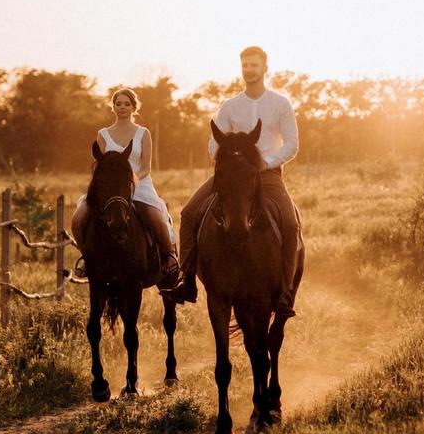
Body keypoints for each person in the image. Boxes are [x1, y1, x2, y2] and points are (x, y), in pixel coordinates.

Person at [176, 46, 302, 316]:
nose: (249, 70)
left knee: (290, 224)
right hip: (230, 177)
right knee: (188, 213)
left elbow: (292, 144)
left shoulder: (280, 104)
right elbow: (214, 142)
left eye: (254, 65)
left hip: (267, 176)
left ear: (265, 68)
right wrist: (224, 161)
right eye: (245, 65)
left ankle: (284, 292)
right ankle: (186, 281)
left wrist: (265, 163)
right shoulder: (230, 106)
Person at [72, 87, 180, 284]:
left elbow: (146, 167)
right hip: (110, 189)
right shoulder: (103, 134)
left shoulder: (143, 133)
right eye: (118, 103)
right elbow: (100, 166)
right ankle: (87, 258)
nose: (122, 107)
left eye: (126, 104)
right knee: (79, 217)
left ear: (133, 107)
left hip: (139, 183)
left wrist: (133, 180)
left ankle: (168, 257)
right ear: (113, 107)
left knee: (157, 217)